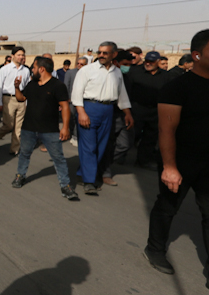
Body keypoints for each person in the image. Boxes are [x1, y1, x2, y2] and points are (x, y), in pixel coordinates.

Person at [144, 29, 209, 289]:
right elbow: (166, 130)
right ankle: (155, 249)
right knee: (168, 206)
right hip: (181, 160)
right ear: (197, 55)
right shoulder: (177, 87)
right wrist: (170, 167)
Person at [70, 42, 133, 195]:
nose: (101, 55)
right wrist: (81, 112)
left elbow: (122, 95)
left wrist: (128, 113)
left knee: (101, 146)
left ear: (114, 54)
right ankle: (89, 182)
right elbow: (76, 93)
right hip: (89, 108)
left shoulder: (117, 72)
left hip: (108, 110)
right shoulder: (87, 70)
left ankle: (83, 173)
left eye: (105, 53)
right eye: (99, 52)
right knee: (89, 146)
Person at [11, 56, 78, 200]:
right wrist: (16, 87)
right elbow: (21, 98)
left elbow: (65, 107)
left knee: (58, 158)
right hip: (29, 128)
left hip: (50, 130)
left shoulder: (57, 85)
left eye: (34, 67)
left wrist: (65, 127)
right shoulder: (32, 84)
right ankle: (20, 176)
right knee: (24, 154)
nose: (32, 70)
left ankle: (65, 186)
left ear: (41, 69)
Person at [125, 51, 169, 170]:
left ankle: (143, 161)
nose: (148, 64)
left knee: (150, 137)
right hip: (137, 109)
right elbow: (127, 90)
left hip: (156, 111)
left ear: (158, 62)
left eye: (152, 62)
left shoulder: (166, 76)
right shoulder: (135, 72)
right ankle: (120, 156)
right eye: (147, 61)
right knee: (132, 134)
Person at [0, 46, 31, 156]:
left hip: (22, 100)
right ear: (12, 56)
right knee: (8, 125)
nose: (21, 57)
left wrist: (27, 102)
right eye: (19, 55)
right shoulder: (5, 69)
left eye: (23, 55)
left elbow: (28, 87)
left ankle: (14, 149)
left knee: (18, 127)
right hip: (8, 99)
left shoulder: (26, 70)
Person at [64, 57, 87, 147]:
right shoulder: (70, 73)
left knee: (79, 119)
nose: (79, 65)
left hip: (84, 101)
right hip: (71, 101)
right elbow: (66, 86)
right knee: (71, 118)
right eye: (78, 63)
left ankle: (76, 136)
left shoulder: (88, 73)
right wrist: (66, 99)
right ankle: (71, 132)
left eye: (82, 64)